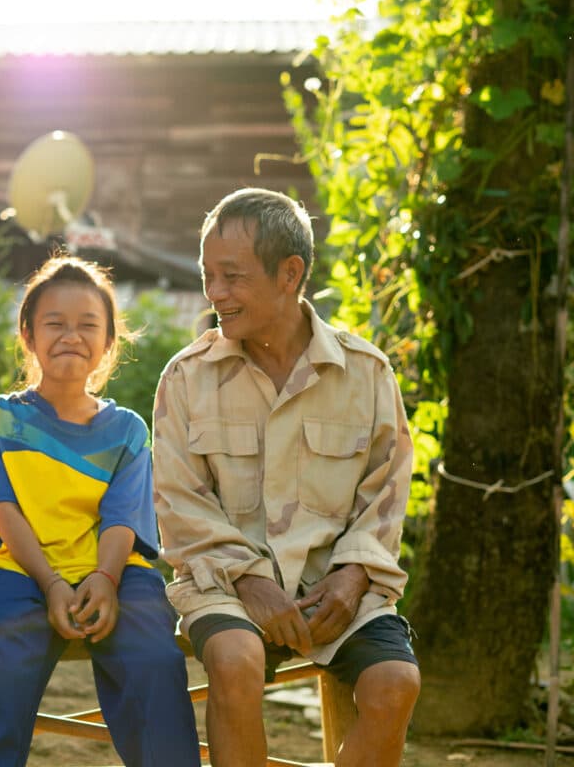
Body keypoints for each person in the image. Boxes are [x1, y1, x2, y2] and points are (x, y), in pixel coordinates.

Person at [153, 188, 421, 767]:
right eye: (208, 276)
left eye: (232, 276)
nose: (215, 294)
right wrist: (251, 580)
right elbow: (180, 507)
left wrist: (353, 579)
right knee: (234, 661)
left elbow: (386, 494)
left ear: (289, 273)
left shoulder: (366, 373)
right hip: (226, 587)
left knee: (395, 682)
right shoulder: (186, 379)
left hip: (337, 590)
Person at [0, 255, 201, 767]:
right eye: (54, 324)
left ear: (109, 341)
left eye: (88, 325)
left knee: (154, 660)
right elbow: (5, 511)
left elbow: (122, 520)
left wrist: (105, 579)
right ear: (28, 334)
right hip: (20, 568)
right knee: (5, 662)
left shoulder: (128, 430)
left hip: (115, 572)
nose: (71, 335)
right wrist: (51, 584)